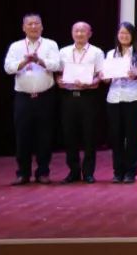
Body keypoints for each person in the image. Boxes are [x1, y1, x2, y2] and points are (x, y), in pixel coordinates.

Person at [3, 13, 60, 185]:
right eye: (30, 24)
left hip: (45, 97)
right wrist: (24, 62)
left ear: (42, 27)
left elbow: (57, 65)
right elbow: (8, 68)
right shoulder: (16, 46)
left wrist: (39, 60)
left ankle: (43, 172)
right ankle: (23, 173)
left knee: (45, 135)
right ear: (23, 27)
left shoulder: (50, 44)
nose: (33, 27)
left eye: (36, 24)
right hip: (23, 97)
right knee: (23, 135)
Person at [101, 21, 137, 184]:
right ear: (117, 35)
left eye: (127, 33)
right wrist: (104, 77)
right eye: (121, 33)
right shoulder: (110, 54)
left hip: (133, 97)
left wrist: (136, 75)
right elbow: (107, 79)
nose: (124, 36)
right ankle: (118, 171)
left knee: (131, 135)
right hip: (114, 98)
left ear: (132, 36)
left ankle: (131, 171)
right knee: (116, 136)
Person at [56, 22, 105, 183]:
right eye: (76, 31)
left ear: (89, 34)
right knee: (69, 134)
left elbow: (101, 76)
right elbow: (58, 73)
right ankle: (73, 171)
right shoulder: (63, 52)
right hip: (68, 97)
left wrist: (90, 83)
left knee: (89, 134)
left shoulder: (96, 52)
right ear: (72, 33)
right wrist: (58, 81)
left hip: (88, 97)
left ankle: (88, 172)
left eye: (83, 31)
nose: (79, 34)